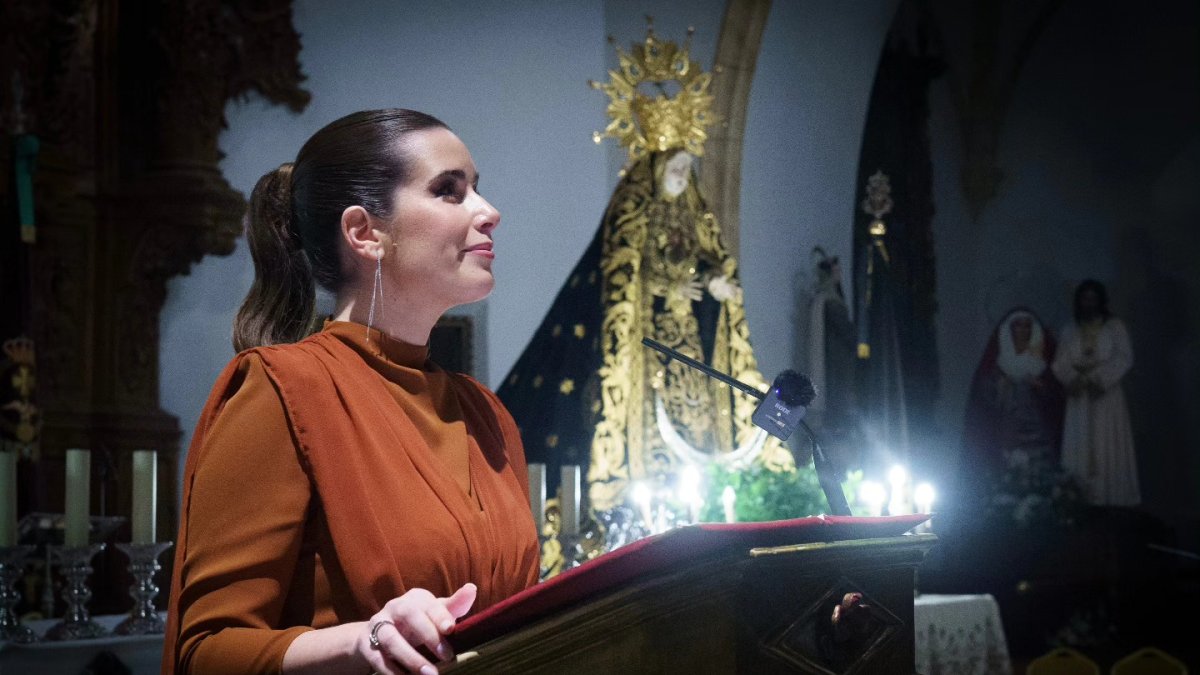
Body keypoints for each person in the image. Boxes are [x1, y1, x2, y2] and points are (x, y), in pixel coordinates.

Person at [162, 109, 540, 675]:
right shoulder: (283, 389)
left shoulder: (488, 415)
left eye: (477, 190)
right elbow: (207, 651)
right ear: (365, 232)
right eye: (448, 191)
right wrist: (361, 641)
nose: (489, 213)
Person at [959, 308, 1065, 510]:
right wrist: (1000, 384)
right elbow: (983, 398)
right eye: (1018, 325)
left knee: (1038, 468)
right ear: (1010, 330)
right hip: (1007, 427)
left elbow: (1057, 397)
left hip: (1038, 430)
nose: (1023, 330)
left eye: (1027, 325)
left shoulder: (1043, 363)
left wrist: (1040, 386)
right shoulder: (999, 363)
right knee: (1008, 466)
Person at [1051, 279, 1140, 506]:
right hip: (1079, 398)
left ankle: (1113, 498)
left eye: (1093, 298)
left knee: (1108, 444)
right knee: (1079, 445)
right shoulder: (1070, 329)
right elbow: (1060, 361)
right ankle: (1079, 500)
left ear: (1100, 300)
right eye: (1084, 298)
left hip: (1106, 397)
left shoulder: (1115, 327)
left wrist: (1099, 379)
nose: (1088, 303)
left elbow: (1124, 356)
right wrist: (1072, 379)